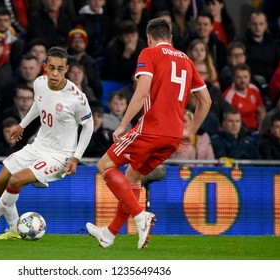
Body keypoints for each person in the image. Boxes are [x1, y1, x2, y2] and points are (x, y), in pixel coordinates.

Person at [86, 19, 211, 249]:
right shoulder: (187, 60)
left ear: (149, 38)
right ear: (171, 38)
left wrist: (123, 124)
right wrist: (189, 132)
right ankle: (109, 234)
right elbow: (206, 101)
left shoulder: (149, 53)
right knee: (133, 177)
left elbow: (142, 92)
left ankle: (139, 215)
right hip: (173, 137)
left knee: (104, 165)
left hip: (151, 129)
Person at [0, 47, 94, 240]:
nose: (55, 73)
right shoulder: (39, 83)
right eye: (51, 68)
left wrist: (76, 157)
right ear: (45, 68)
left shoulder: (76, 98)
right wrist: (22, 124)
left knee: (16, 180)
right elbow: (39, 103)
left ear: (66, 69)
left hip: (59, 156)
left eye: (59, 68)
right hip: (38, 146)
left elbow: (88, 126)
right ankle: (15, 230)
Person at [222, 63, 266, 132]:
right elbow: (229, 121)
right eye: (239, 77)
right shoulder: (228, 96)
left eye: (245, 77)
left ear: (250, 77)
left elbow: (261, 111)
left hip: (256, 130)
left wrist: (260, 131)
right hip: (240, 131)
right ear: (233, 78)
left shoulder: (254, 89)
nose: (243, 81)